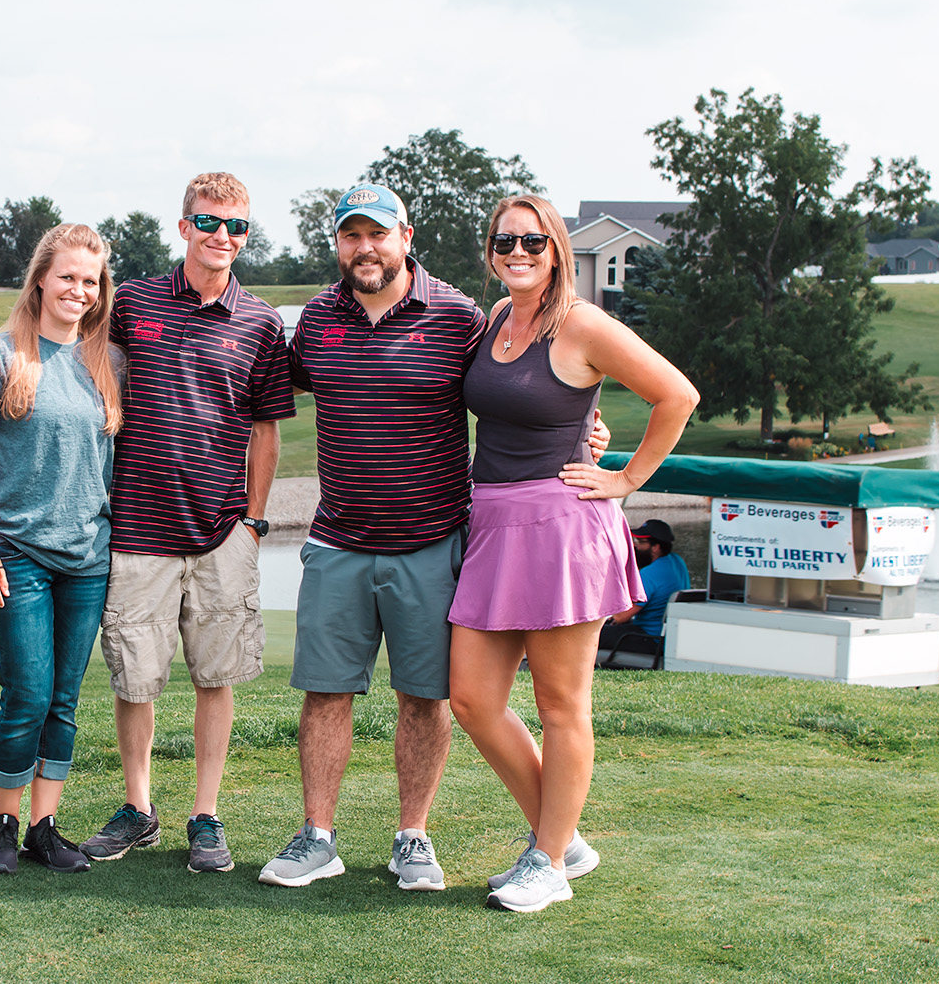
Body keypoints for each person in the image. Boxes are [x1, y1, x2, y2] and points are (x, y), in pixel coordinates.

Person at [258, 184, 608, 892]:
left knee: (427, 698)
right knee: (325, 693)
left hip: (434, 540)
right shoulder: (317, 318)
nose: (365, 248)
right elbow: (262, 397)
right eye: (351, 235)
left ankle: (412, 837)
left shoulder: (459, 317)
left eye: (377, 234)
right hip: (338, 539)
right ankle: (316, 836)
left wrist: (587, 436)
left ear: (405, 236)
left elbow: (529, 381)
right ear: (338, 245)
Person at [447, 194, 698, 913]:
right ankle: (561, 837)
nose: (516, 252)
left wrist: (623, 478)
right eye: (504, 241)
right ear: (490, 250)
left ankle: (548, 860)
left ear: (556, 248)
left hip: (561, 528)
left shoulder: (581, 322)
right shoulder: (496, 317)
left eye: (532, 241)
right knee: (472, 698)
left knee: (561, 703)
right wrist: (589, 423)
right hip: (491, 523)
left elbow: (675, 395)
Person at [82, 172, 295, 874]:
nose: (223, 238)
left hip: (220, 531)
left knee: (215, 676)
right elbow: (84, 375)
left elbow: (266, 430)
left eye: (237, 227)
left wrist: (254, 522)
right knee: (134, 680)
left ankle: (204, 815)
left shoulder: (261, 322)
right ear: (183, 228)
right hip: (139, 527)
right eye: (209, 223)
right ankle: (138, 808)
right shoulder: (132, 302)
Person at [0, 223, 124, 875]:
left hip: (86, 560)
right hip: (15, 556)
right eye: (68, 277)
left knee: (63, 701)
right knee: (25, 692)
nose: (79, 289)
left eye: (91, 280)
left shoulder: (106, 363)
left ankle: (44, 829)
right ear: (41, 279)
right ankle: (2, 822)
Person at [601, 519, 692, 643]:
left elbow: (620, 617)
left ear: (655, 547)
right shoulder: (677, 561)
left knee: (592, 635)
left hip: (649, 637)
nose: (636, 546)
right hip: (667, 635)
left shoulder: (650, 573)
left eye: (641, 542)